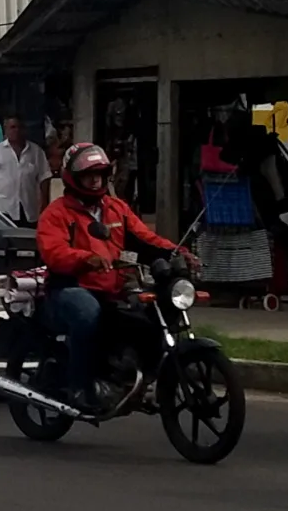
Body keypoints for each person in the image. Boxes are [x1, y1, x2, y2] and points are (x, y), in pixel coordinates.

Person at [34, 142, 195, 400]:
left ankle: (132, 374)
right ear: (74, 178)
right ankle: (80, 387)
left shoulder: (116, 208)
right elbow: (54, 253)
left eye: (99, 174)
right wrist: (87, 259)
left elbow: (144, 239)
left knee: (147, 313)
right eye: (88, 176)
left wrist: (177, 252)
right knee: (87, 312)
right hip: (69, 287)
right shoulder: (56, 213)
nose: (96, 181)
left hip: (112, 288)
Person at [0, 115, 51, 226]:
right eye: (13, 127)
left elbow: (44, 179)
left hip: (29, 212)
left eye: (20, 127)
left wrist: (44, 206)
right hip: (4, 210)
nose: (16, 130)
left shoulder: (36, 152)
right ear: (6, 129)